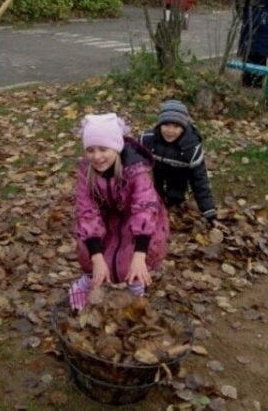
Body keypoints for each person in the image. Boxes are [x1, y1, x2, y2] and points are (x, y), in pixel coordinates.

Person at [69, 113, 170, 311]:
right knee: (90, 254)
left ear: (116, 147)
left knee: (130, 258)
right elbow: (86, 211)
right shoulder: (86, 172)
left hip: (141, 221)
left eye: (103, 149)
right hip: (107, 218)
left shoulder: (136, 171)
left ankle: (136, 289)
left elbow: (144, 210)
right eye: (90, 150)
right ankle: (86, 283)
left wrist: (140, 255)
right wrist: (97, 258)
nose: (97, 156)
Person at [139, 100, 217, 225]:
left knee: (174, 197)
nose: (170, 130)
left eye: (176, 126)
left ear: (183, 127)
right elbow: (132, 164)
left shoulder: (191, 148)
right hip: (156, 171)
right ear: (159, 125)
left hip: (179, 173)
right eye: (166, 125)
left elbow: (199, 181)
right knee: (151, 196)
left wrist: (209, 213)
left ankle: (174, 196)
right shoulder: (147, 139)